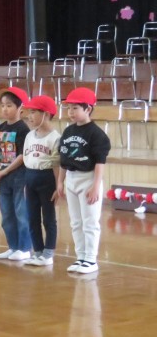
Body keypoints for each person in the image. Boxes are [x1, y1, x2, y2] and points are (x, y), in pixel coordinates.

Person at [57, 87, 111, 275]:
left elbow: (100, 162)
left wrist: (95, 186)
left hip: (88, 178)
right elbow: (63, 159)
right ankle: (80, 256)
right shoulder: (68, 131)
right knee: (75, 222)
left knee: (90, 222)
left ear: (88, 109)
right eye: (68, 108)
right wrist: (60, 181)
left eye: (75, 108)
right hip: (71, 178)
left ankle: (90, 259)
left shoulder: (97, 134)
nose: (70, 112)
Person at [0, 87, 32, 261]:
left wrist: (5, 171)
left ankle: (24, 248)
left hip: (19, 176)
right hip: (4, 177)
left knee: (21, 212)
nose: (5, 109)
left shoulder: (24, 130)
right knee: (7, 214)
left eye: (9, 105)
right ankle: (13, 246)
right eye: (3, 105)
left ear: (20, 107)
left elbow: (23, 155)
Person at [22, 96, 61, 267]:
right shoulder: (29, 135)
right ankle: (37, 251)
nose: (29, 116)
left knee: (48, 218)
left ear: (45, 114)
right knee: (32, 217)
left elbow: (57, 164)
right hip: (30, 177)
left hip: (47, 179)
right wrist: (26, 182)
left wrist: (58, 186)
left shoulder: (55, 138)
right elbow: (26, 159)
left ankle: (48, 253)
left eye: (33, 112)